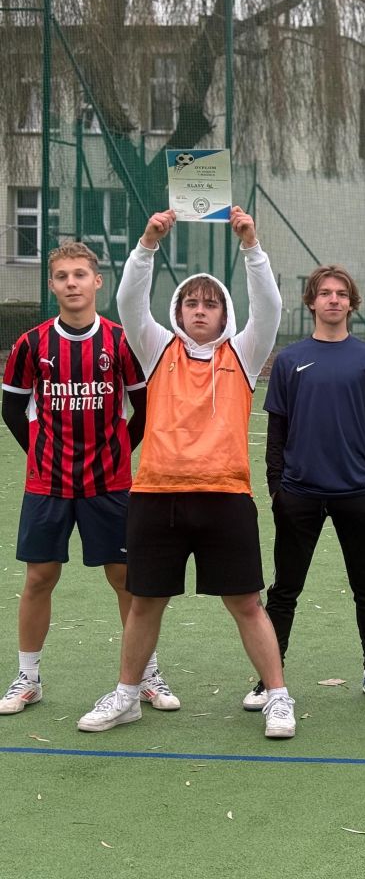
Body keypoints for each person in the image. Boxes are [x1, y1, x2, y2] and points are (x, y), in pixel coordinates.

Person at [77, 206, 294, 739]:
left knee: (247, 602)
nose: (200, 310)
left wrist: (251, 246)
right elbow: (129, 301)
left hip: (225, 497)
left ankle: (278, 697)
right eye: (192, 302)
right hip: (156, 496)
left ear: (224, 314)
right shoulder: (156, 350)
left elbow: (269, 307)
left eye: (210, 303)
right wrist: (147, 243)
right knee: (145, 601)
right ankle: (128, 695)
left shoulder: (244, 354)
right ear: (177, 310)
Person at [1, 242, 178, 717]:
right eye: (62, 276)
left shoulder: (121, 342)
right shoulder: (31, 344)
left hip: (110, 483)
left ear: (97, 282)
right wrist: (41, 456)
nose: (72, 283)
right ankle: (28, 678)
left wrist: (117, 452)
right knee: (39, 577)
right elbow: (12, 408)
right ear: (52, 285)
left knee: (125, 579)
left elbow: (144, 408)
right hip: (48, 484)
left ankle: (145, 675)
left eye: (80, 274)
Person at [240, 265, 365, 715]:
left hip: (356, 493)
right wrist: (277, 488)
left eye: (341, 294)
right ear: (311, 301)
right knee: (284, 591)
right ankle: (270, 680)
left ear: (351, 303)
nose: (333, 300)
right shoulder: (290, 359)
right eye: (325, 293)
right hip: (299, 494)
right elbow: (277, 430)